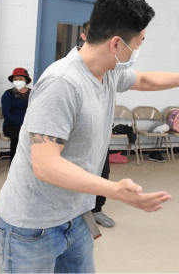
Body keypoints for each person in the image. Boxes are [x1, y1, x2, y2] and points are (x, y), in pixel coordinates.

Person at [0, 0, 179, 273]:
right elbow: (45, 165)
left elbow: (146, 80)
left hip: (76, 217)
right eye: (139, 43)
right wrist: (115, 191)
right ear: (116, 44)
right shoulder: (62, 83)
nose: (138, 51)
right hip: (32, 227)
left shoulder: (107, 71)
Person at [81, 19, 115, 228]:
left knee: (103, 173)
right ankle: (78, 213)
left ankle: (97, 210)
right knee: (80, 175)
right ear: (84, 37)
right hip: (80, 138)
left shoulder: (109, 73)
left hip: (101, 138)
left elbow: (144, 80)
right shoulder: (68, 75)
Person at [1, 68, 32, 166]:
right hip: (11, 125)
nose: (17, 81)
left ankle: (31, 163)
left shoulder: (33, 93)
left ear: (26, 80)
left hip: (28, 124)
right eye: (15, 79)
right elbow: (6, 113)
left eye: (20, 78)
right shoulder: (8, 94)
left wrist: (27, 124)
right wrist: (20, 124)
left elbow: (36, 110)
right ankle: (14, 164)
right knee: (18, 135)